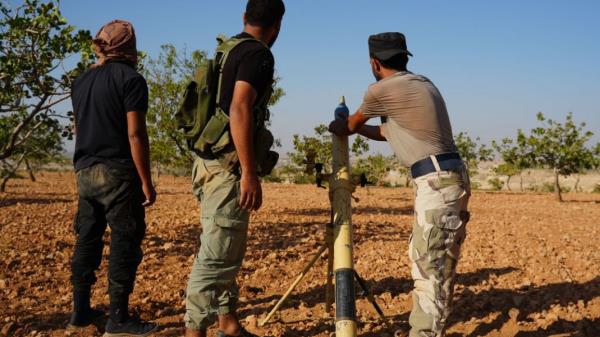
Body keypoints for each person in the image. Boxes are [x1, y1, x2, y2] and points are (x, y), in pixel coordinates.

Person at [329, 32, 471, 337]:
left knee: (430, 270)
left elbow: (350, 126)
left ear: (375, 63)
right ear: (405, 58)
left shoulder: (380, 90)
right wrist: (360, 127)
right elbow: (388, 132)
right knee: (436, 265)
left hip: (436, 183)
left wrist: (338, 124)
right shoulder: (422, 84)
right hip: (448, 177)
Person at [183, 1, 285, 337]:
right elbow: (240, 108)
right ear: (278, 24)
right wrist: (248, 172)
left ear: (244, 18)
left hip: (206, 162)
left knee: (225, 249)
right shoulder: (258, 55)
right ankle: (194, 331)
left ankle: (228, 324)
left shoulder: (228, 49)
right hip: (227, 168)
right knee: (215, 257)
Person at [69, 20, 157, 337]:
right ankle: (119, 320)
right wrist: (145, 180)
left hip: (84, 171)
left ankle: (79, 312)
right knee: (125, 242)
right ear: (129, 48)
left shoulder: (80, 82)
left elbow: (79, 130)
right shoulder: (132, 80)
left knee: (87, 240)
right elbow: (135, 134)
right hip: (117, 172)